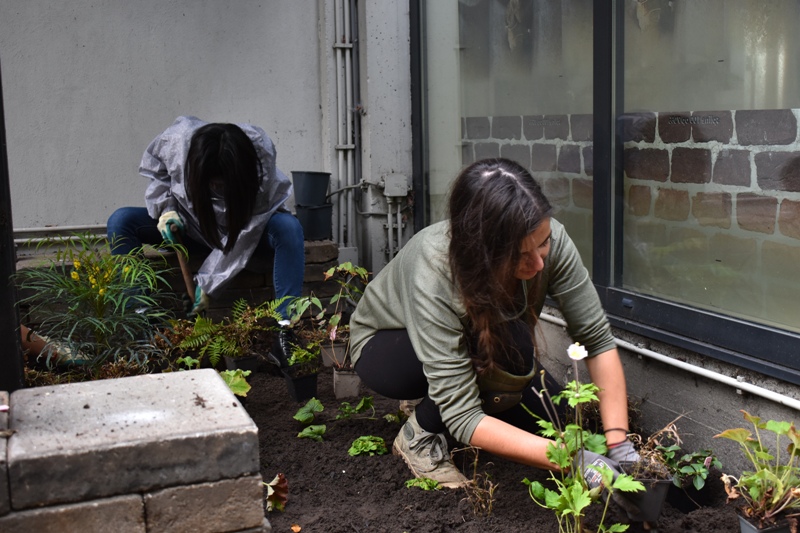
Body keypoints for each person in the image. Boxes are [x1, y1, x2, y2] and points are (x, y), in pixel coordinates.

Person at [349, 158, 639, 490]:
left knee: (558, 419)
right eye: (520, 255)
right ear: (481, 253)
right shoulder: (435, 267)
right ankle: (418, 435)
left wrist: (619, 446)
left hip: (474, 342)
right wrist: (571, 459)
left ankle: (440, 388)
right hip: (387, 348)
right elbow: (464, 416)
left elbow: (596, 340)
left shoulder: (546, 237)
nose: (539, 262)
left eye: (543, 243)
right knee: (506, 346)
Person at [107, 116, 305, 356]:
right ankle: (144, 332)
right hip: (191, 227)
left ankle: (285, 331)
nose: (217, 190)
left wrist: (208, 283)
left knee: (288, 228)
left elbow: (247, 232)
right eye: (212, 184)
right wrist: (167, 209)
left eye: (223, 184)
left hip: (247, 233)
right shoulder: (176, 143)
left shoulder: (258, 156)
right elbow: (159, 175)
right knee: (121, 221)